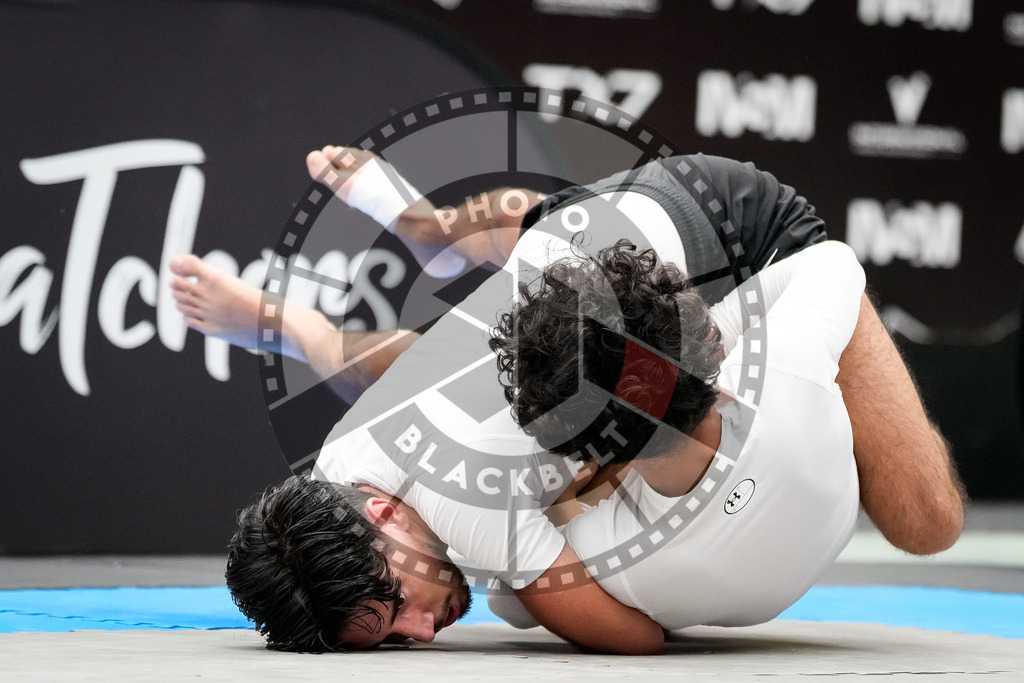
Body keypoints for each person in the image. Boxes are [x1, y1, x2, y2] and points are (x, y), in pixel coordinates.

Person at [171, 146, 965, 653]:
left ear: (380, 515)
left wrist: (535, 590)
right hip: (589, 248)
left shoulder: (472, 511)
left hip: (731, 236)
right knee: (446, 352)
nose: (421, 629)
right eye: (389, 640)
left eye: (393, 607)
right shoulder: (342, 463)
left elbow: (632, 635)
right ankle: (327, 305)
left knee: (926, 522)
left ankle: (428, 231)